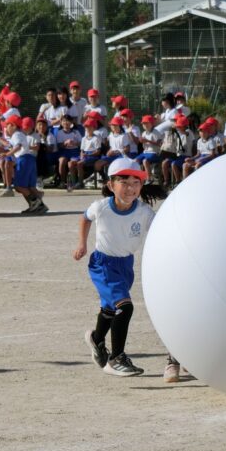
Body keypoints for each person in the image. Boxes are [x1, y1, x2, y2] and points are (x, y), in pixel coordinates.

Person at [73, 158, 167, 376]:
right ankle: (116, 358)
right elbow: (85, 219)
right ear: (110, 185)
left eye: (136, 183)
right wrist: (82, 244)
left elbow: (161, 232)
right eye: (124, 182)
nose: (130, 188)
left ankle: (96, 340)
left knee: (109, 309)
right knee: (125, 307)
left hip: (126, 265)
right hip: (103, 264)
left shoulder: (144, 212)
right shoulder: (101, 207)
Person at [3, 115, 48, 215]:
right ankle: (38, 206)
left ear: (13, 126)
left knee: (18, 186)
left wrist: (7, 154)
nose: (6, 128)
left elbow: (18, 147)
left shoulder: (16, 134)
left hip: (24, 160)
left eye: (7, 126)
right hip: (30, 160)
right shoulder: (21, 134)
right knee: (29, 186)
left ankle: (36, 203)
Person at [67, 118, 103, 190]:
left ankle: (80, 183)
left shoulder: (96, 138)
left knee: (79, 164)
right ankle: (74, 183)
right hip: (85, 156)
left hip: (93, 157)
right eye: (86, 127)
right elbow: (82, 150)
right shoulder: (84, 138)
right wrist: (81, 156)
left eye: (89, 127)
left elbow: (98, 152)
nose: (87, 128)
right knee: (70, 163)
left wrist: (88, 155)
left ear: (93, 128)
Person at [161, 114, 195, 188]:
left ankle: (178, 181)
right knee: (165, 162)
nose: (177, 127)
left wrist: (178, 129)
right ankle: (167, 181)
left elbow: (186, 133)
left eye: (179, 126)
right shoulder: (177, 133)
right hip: (177, 155)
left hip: (186, 155)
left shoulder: (188, 132)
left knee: (174, 164)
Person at [55, 114, 82, 189]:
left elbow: (81, 143)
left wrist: (74, 143)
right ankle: (62, 182)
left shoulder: (76, 132)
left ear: (71, 122)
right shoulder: (59, 132)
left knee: (73, 163)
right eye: (64, 121)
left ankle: (75, 182)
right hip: (64, 151)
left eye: (68, 121)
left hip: (74, 151)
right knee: (62, 161)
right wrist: (65, 143)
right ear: (61, 122)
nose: (66, 122)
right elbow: (59, 145)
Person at [134, 115, 163, 183]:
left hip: (154, 153)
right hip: (146, 152)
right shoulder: (144, 133)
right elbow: (143, 143)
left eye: (147, 123)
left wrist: (147, 141)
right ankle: (139, 178)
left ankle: (149, 178)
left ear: (151, 123)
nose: (145, 125)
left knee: (145, 161)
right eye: (143, 123)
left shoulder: (156, 132)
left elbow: (159, 144)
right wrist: (141, 141)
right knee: (135, 160)